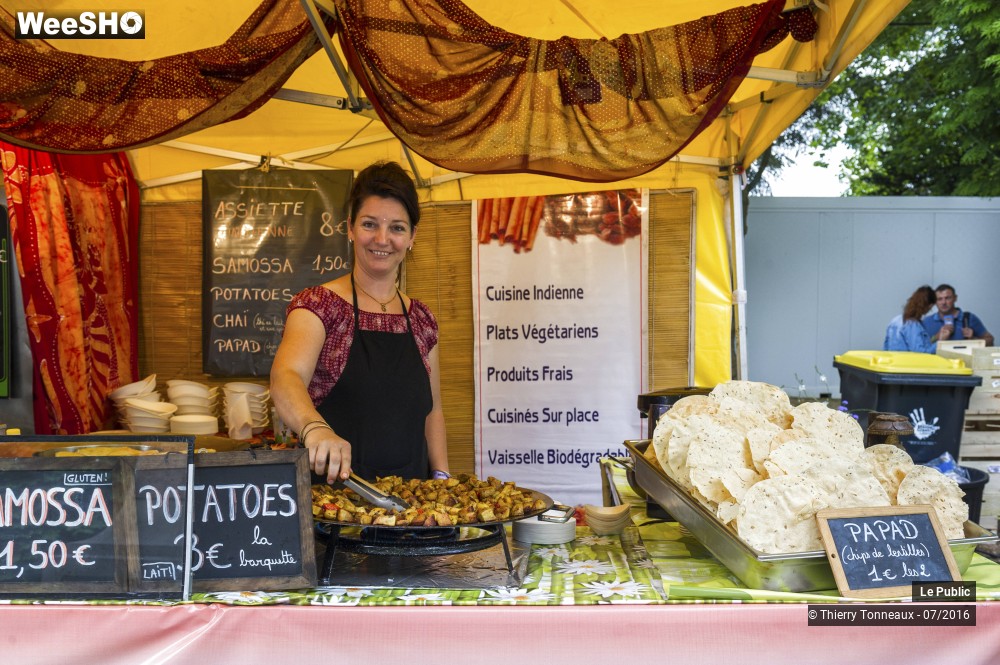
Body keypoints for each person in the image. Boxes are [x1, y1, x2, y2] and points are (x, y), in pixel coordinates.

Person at [270, 161, 449, 484]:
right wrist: (315, 428)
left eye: (397, 228)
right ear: (350, 228)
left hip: (413, 506)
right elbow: (286, 376)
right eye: (369, 224)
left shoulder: (422, 320)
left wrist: (441, 476)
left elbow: (432, 411)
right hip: (334, 502)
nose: (382, 239)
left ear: (412, 236)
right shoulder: (318, 306)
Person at [922, 283, 995, 346]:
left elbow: (990, 341)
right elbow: (920, 347)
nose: (944, 302)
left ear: (955, 298)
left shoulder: (968, 318)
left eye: (947, 298)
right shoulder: (927, 321)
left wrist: (973, 339)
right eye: (939, 299)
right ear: (935, 301)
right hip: (937, 358)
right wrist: (936, 337)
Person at [883, 285, 936, 353]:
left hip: (893, 359)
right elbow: (919, 352)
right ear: (929, 306)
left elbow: (886, 347)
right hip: (908, 360)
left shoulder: (894, 321)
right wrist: (938, 346)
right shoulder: (913, 324)